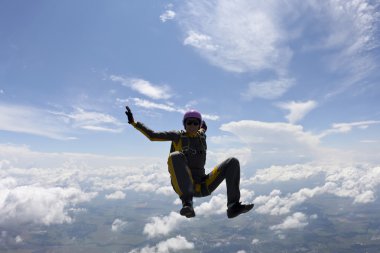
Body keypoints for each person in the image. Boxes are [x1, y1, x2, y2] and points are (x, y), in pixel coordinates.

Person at [125, 106, 253, 219]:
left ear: (199, 125)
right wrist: (134, 123)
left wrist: (203, 125)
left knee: (232, 162)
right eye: (189, 123)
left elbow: (204, 128)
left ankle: (233, 207)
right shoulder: (177, 136)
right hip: (184, 186)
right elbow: (152, 135)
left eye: (195, 123)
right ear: (184, 125)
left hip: (203, 185)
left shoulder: (201, 135)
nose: (192, 126)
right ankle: (187, 204)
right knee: (175, 156)